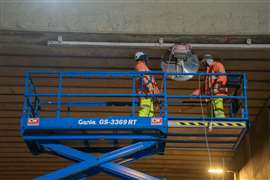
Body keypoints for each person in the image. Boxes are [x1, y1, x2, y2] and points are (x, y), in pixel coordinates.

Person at [134, 52, 160, 117]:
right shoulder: (140, 65)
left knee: (149, 113)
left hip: (148, 94)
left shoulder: (143, 66)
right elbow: (144, 77)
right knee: (145, 112)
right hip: (145, 93)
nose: (146, 59)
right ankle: (142, 126)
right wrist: (150, 87)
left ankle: (147, 126)